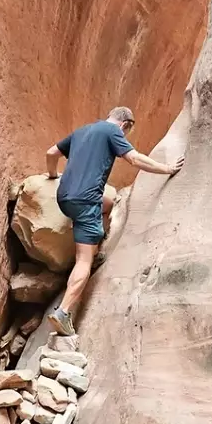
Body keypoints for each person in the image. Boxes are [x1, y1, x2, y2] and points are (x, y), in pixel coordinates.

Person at [45, 106, 185, 335]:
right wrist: (167, 169)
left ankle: (90, 234)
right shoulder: (113, 132)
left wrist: (52, 176)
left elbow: (51, 153)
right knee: (83, 261)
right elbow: (135, 159)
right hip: (86, 202)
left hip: (64, 197)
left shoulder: (83, 130)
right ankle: (63, 312)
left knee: (110, 202)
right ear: (125, 125)